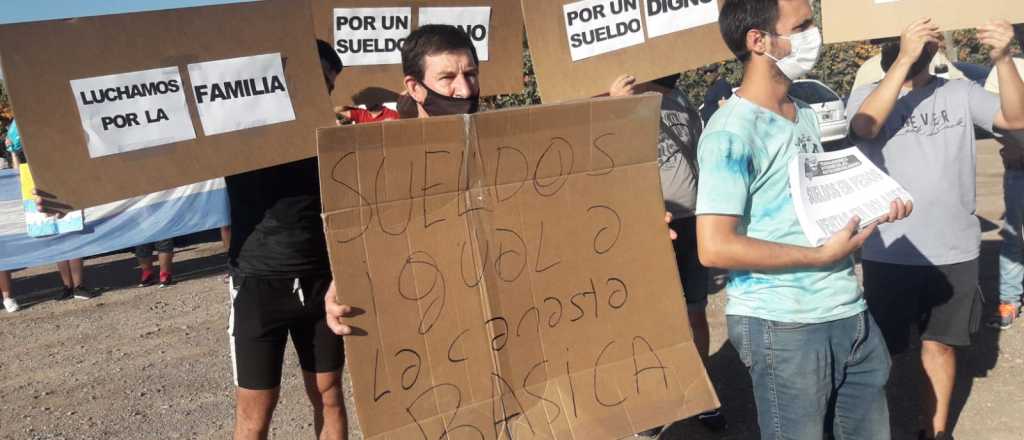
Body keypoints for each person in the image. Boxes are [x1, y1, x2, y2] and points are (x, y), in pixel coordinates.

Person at [696, 1, 911, 439]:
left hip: (849, 311)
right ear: (758, 41)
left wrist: (874, 207)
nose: (815, 35)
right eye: (802, 26)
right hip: (783, 326)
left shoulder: (808, 113)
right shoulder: (730, 133)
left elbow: (813, 209)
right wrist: (818, 257)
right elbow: (713, 246)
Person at [846, 18, 1024, 440]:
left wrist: (1002, 58)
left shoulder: (959, 92)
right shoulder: (863, 97)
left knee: (940, 345)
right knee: (880, 352)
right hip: (888, 251)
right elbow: (864, 127)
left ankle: (937, 429)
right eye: (902, 38)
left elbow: (1014, 120)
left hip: (953, 251)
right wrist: (904, 57)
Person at [224, 40, 348, 440]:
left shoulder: (332, 139)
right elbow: (149, 157)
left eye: (328, 87)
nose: (323, 94)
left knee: (329, 396)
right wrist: (67, 188)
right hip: (258, 285)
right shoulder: (234, 134)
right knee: (255, 411)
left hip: (322, 285)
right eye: (317, 84)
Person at [608, 73, 727, 436]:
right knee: (650, 322)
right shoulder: (615, 96)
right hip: (647, 224)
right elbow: (602, 153)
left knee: (695, 312)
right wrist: (616, 106)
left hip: (692, 222)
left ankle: (700, 393)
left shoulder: (680, 97)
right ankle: (652, 405)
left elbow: (698, 153)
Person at [992, 24, 1024, 330]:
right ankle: (1009, 299)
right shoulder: (1008, 66)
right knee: (1015, 237)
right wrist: (1011, 145)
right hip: (1020, 170)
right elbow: (996, 117)